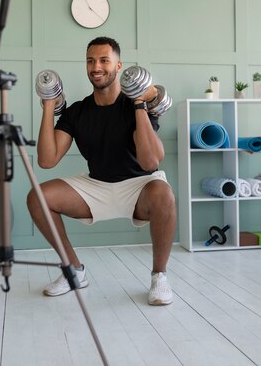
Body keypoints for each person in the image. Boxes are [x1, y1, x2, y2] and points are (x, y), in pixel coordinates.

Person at [26, 36, 176, 305]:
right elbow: (47, 161)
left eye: (104, 60)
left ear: (118, 66)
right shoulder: (77, 112)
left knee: (163, 193)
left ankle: (159, 276)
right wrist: (49, 104)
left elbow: (150, 162)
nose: (96, 67)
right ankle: (73, 270)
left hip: (139, 186)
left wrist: (140, 102)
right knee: (38, 196)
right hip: (96, 186)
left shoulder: (136, 105)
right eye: (91, 61)